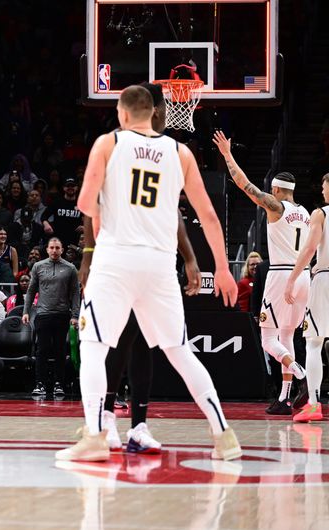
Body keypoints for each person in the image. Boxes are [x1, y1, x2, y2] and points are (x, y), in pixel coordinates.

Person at [59, 85, 241, 463]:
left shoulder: (108, 143)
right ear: (154, 113)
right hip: (159, 264)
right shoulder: (181, 152)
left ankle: (95, 435)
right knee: (180, 352)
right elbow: (207, 216)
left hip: (116, 259)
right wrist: (222, 269)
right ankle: (224, 435)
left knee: (94, 347)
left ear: (123, 115)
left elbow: (83, 201)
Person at [78, 81, 203, 454]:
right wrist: (88, 255)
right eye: (161, 107)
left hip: (153, 261)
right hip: (117, 259)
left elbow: (175, 213)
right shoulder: (114, 144)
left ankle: (139, 424)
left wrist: (190, 257)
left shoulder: (170, 152)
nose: (164, 113)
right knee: (113, 341)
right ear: (149, 109)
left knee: (144, 344)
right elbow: (93, 203)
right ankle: (105, 419)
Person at [213, 131, 308, 415]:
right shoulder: (304, 211)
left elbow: (245, 186)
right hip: (303, 276)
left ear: (276, 190)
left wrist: (228, 155)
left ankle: (300, 373)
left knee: (269, 339)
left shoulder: (275, 206)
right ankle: (285, 399)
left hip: (281, 275)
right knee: (288, 337)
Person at [284, 173, 329, 422]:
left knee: (314, 342)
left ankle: (313, 404)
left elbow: (310, 248)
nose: (322, 191)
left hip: (325, 281)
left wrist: (292, 278)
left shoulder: (320, 213)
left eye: (323, 187)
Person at [23, 237, 80, 397]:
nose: (54, 251)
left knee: (60, 351)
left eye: (57, 248)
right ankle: (40, 383)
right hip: (43, 314)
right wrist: (26, 311)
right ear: (47, 250)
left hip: (62, 314)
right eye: (52, 248)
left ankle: (58, 384)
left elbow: (76, 293)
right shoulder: (38, 266)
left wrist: (75, 315)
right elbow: (31, 290)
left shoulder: (70, 268)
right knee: (42, 350)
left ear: (62, 250)